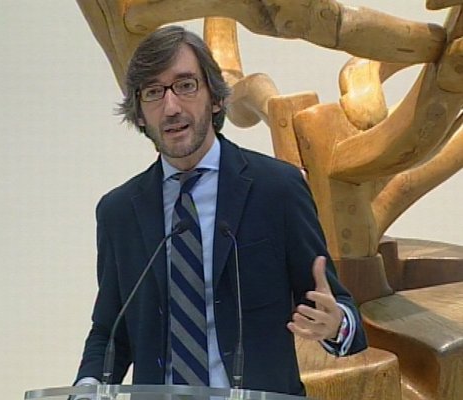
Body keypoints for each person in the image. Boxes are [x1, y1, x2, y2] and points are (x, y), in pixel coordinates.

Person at [74, 25, 367, 396]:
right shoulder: (119, 212)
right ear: (140, 114)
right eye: (153, 92)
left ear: (215, 98)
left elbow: (339, 310)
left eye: (185, 85)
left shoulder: (276, 189)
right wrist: (87, 386)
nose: (171, 107)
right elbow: (110, 332)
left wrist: (336, 324)